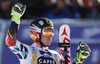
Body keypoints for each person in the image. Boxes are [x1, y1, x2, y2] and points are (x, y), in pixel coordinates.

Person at [5, 3, 91, 64]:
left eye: (52, 32)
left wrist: (79, 59)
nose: (50, 35)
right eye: (47, 32)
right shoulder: (28, 52)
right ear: (36, 33)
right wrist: (15, 17)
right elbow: (10, 42)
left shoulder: (56, 55)